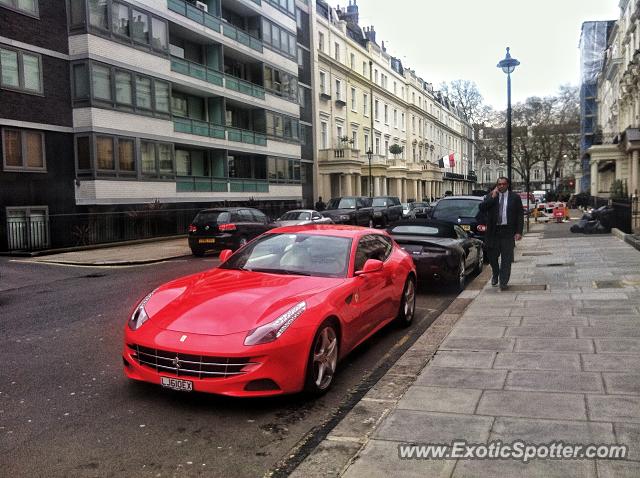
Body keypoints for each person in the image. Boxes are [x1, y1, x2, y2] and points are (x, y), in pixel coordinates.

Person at [478, 177, 524, 291]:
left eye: (503, 184)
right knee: (492, 256)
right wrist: (492, 198)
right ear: (496, 185)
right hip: (493, 231)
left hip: (507, 231)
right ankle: (495, 272)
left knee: (506, 259)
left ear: (507, 185)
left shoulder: (515, 197)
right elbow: (482, 208)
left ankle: (503, 282)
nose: (501, 186)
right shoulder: (491, 195)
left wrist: (518, 231)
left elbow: (520, 215)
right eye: (499, 184)